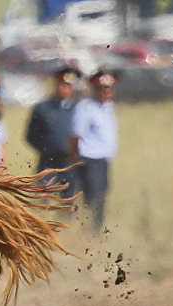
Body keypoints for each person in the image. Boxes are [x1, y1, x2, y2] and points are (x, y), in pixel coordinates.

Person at [69, 69, 118, 232]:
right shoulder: (85, 107)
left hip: (103, 160)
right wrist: (74, 160)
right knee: (93, 199)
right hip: (89, 160)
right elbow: (75, 135)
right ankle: (90, 233)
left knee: (102, 197)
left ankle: (96, 231)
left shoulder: (108, 107)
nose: (106, 91)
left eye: (109, 88)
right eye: (102, 88)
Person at [25, 66, 81, 188]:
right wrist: (45, 149)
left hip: (69, 162)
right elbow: (30, 135)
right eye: (62, 84)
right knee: (42, 194)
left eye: (68, 85)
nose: (64, 88)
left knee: (68, 199)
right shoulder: (42, 108)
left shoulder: (78, 110)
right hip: (47, 162)